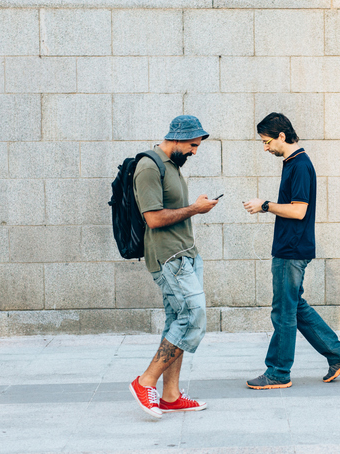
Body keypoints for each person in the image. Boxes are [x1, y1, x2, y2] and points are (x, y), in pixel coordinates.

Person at [242, 112, 340, 389]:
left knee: (283, 312)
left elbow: (299, 210)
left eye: (267, 142)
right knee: (295, 307)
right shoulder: (291, 163)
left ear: (282, 135)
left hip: (291, 249)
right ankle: (338, 354)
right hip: (290, 246)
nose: (265, 147)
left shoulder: (300, 165)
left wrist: (265, 205)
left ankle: (279, 372)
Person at [128, 115, 218, 418]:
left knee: (178, 320)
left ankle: (170, 394)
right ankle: (146, 381)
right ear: (177, 138)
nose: (194, 151)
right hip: (169, 258)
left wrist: (195, 206)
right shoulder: (149, 167)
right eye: (192, 145)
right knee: (194, 317)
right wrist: (195, 208)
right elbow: (153, 219)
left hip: (186, 254)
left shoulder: (172, 166)